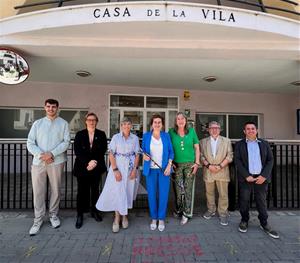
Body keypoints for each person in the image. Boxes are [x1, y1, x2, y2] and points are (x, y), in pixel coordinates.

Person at [27, 99, 70, 236]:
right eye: (48, 106)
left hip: (56, 161)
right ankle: (38, 219)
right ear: (44, 108)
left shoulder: (63, 123)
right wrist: (42, 155)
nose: (51, 109)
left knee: (56, 190)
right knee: (38, 191)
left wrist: (51, 153)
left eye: (53, 107)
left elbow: (66, 142)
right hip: (38, 162)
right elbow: (30, 142)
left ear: (57, 108)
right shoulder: (37, 123)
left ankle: (53, 215)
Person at [234, 121, 279, 239]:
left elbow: (270, 160)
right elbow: (237, 161)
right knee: (244, 200)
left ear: (256, 130)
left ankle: (264, 223)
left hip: (261, 178)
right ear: (244, 131)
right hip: (246, 178)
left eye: (252, 128)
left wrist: (264, 175)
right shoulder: (239, 144)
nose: (250, 131)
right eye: (248, 129)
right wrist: (246, 175)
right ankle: (244, 220)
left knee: (261, 201)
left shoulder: (264, 144)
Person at [96, 117, 140, 233]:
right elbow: (111, 154)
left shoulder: (135, 138)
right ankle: (117, 217)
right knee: (117, 191)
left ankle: (125, 215)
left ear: (131, 126)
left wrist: (135, 170)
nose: (126, 126)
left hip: (130, 168)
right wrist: (115, 170)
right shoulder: (116, 137)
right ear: (121, 125)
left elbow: (137, 155)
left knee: (127, 191)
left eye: (128, 124)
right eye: (124, 124)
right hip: (118, 167)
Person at [73, 112, 107, 229]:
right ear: (86, 121)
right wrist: (88, 162)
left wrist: (94, 162)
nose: (91, 122)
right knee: (82, 191)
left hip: (96, 167)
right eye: (89, 120)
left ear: (96, 121)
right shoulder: (80, 134)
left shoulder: (101, 134)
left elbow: (102, 150)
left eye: (94, 120)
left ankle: (95, 211)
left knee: (95, 190)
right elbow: (77, 151)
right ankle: (80, 214)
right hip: (82, 167)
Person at [142, 114, 174, 232]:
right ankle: (154, 218)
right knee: (151, 195)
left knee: (163, 195)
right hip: (150, 170)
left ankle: (161, 218)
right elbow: (143, 151)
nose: (157, 124)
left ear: (162, 124)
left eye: (159, 122)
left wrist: (169, 165)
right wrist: (144, 156)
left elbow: (171, 152)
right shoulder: (146, 136)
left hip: (164, 170)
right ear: (151, 124)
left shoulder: (166, 136)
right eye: (155, 122)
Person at [169, 112, 200, 225]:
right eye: (178, 119)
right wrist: (170, 161)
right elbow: (168, 148)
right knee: (178, 190)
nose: (180, 120)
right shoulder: (171, 132)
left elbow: (197, 148)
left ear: (186, 121)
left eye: (182, 118)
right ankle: (179, 209)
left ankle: (186, 213)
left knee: (188, 189)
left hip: (189, 164)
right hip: (176, 165)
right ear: (176, 121)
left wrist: (197, 163)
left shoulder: (191, 131)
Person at [200, 121, 233, 225]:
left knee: (223, 194)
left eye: (217, 128)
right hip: (208, 170)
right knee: (209, 193)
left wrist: (220, 166)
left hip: (222, 170)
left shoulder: (226, 141)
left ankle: (223, 213)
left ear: (220, 129)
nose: (214, 130)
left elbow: (230, 155)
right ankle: (211, 210)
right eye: (212, 128)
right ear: (208, 130)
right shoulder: (202, 142)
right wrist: (208, 165)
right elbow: (200, 156)